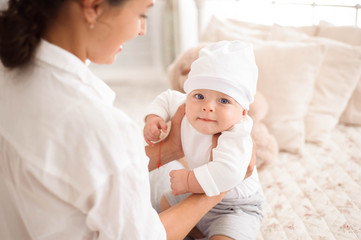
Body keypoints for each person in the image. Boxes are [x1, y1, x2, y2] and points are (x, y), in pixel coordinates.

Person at [0, 0, 256, 239]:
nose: (142, 29)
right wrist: (219, 188)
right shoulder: (99, 127)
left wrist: (169, 150)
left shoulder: (8, 75)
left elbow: (85, 171)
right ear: (94, 7)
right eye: (141, 14)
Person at [144, 41, 265, 240]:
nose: (208, 106)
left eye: (224, 101)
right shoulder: (186, 105)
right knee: (164, 204)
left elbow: (229, 172)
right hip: (194, 191)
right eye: (199, 95)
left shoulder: (237, 133)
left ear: (243, 112)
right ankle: (196, 231)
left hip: (234, 207)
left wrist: (189, 180)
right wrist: (154, 117)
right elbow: (166, 98)